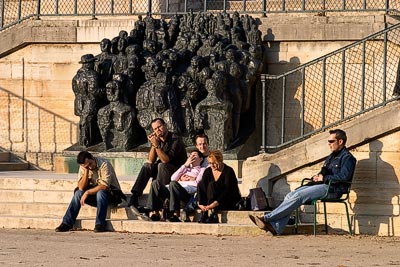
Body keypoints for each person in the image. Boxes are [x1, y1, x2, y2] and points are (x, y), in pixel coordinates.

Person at [249, 129, 357, 235]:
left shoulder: (348, 158)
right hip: (321, 185)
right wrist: (318, 176)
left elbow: (344, 177)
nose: (329, 144)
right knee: (291, 195)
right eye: (328, 141)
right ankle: (275, 227)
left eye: (331, 141)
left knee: (299, 196)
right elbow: (324, 172)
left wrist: (324, 178)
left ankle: (267, 218)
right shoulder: (331, 157)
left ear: (340, 141)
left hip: (333, 189)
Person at [55, 151, 125, 233]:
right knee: (78, 193)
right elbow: (81, 187)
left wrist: (87, 192)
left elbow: (104, 186)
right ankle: (67, 223)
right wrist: (86, 172)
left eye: (90, 164)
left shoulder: (104, 164)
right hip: (96, 196)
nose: (90, 167)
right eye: (86, 166)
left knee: (101, 192)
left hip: (113, 195)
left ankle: (100, 224)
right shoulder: (84, 168)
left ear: (92, 158)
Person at [128, 118, 187, 211]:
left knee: (161, 166)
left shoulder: (175, 139)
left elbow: (165, 160)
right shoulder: (158, 140)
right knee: (147, 166)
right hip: (163, 169)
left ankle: (159, 200)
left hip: (177, 170)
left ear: (165, 126)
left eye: (159, 127)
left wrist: (156, 145)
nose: (157, 130)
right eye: (155, 129)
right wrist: (153, 143)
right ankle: (134, 196)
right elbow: (151, 160)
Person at [146, 149, 206, 222]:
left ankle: (175, 214)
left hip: (186, 193)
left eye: (194, 155)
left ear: (201, 159)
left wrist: (184, 179)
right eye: (190, 156)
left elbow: (197, 183)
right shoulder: (185, 169)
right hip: (172, 189)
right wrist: (185, 166)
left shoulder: (202, 169)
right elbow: (173, 178)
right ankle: (154, 212)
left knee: (173, 184)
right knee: (155, 183)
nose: (192, 157)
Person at [197, 150, 242, 223]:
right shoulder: (208, 171)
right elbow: (202, 187)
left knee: (212, 185)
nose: (212, 165)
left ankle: (213, 214)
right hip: (210, 201)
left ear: (220, 161)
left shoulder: (228, 171)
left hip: (226, 199)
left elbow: (228, 191)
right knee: (201, 183)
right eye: (210, 163)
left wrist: (215, 203)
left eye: (214, 163)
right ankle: (204, 212)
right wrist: (200, 203)